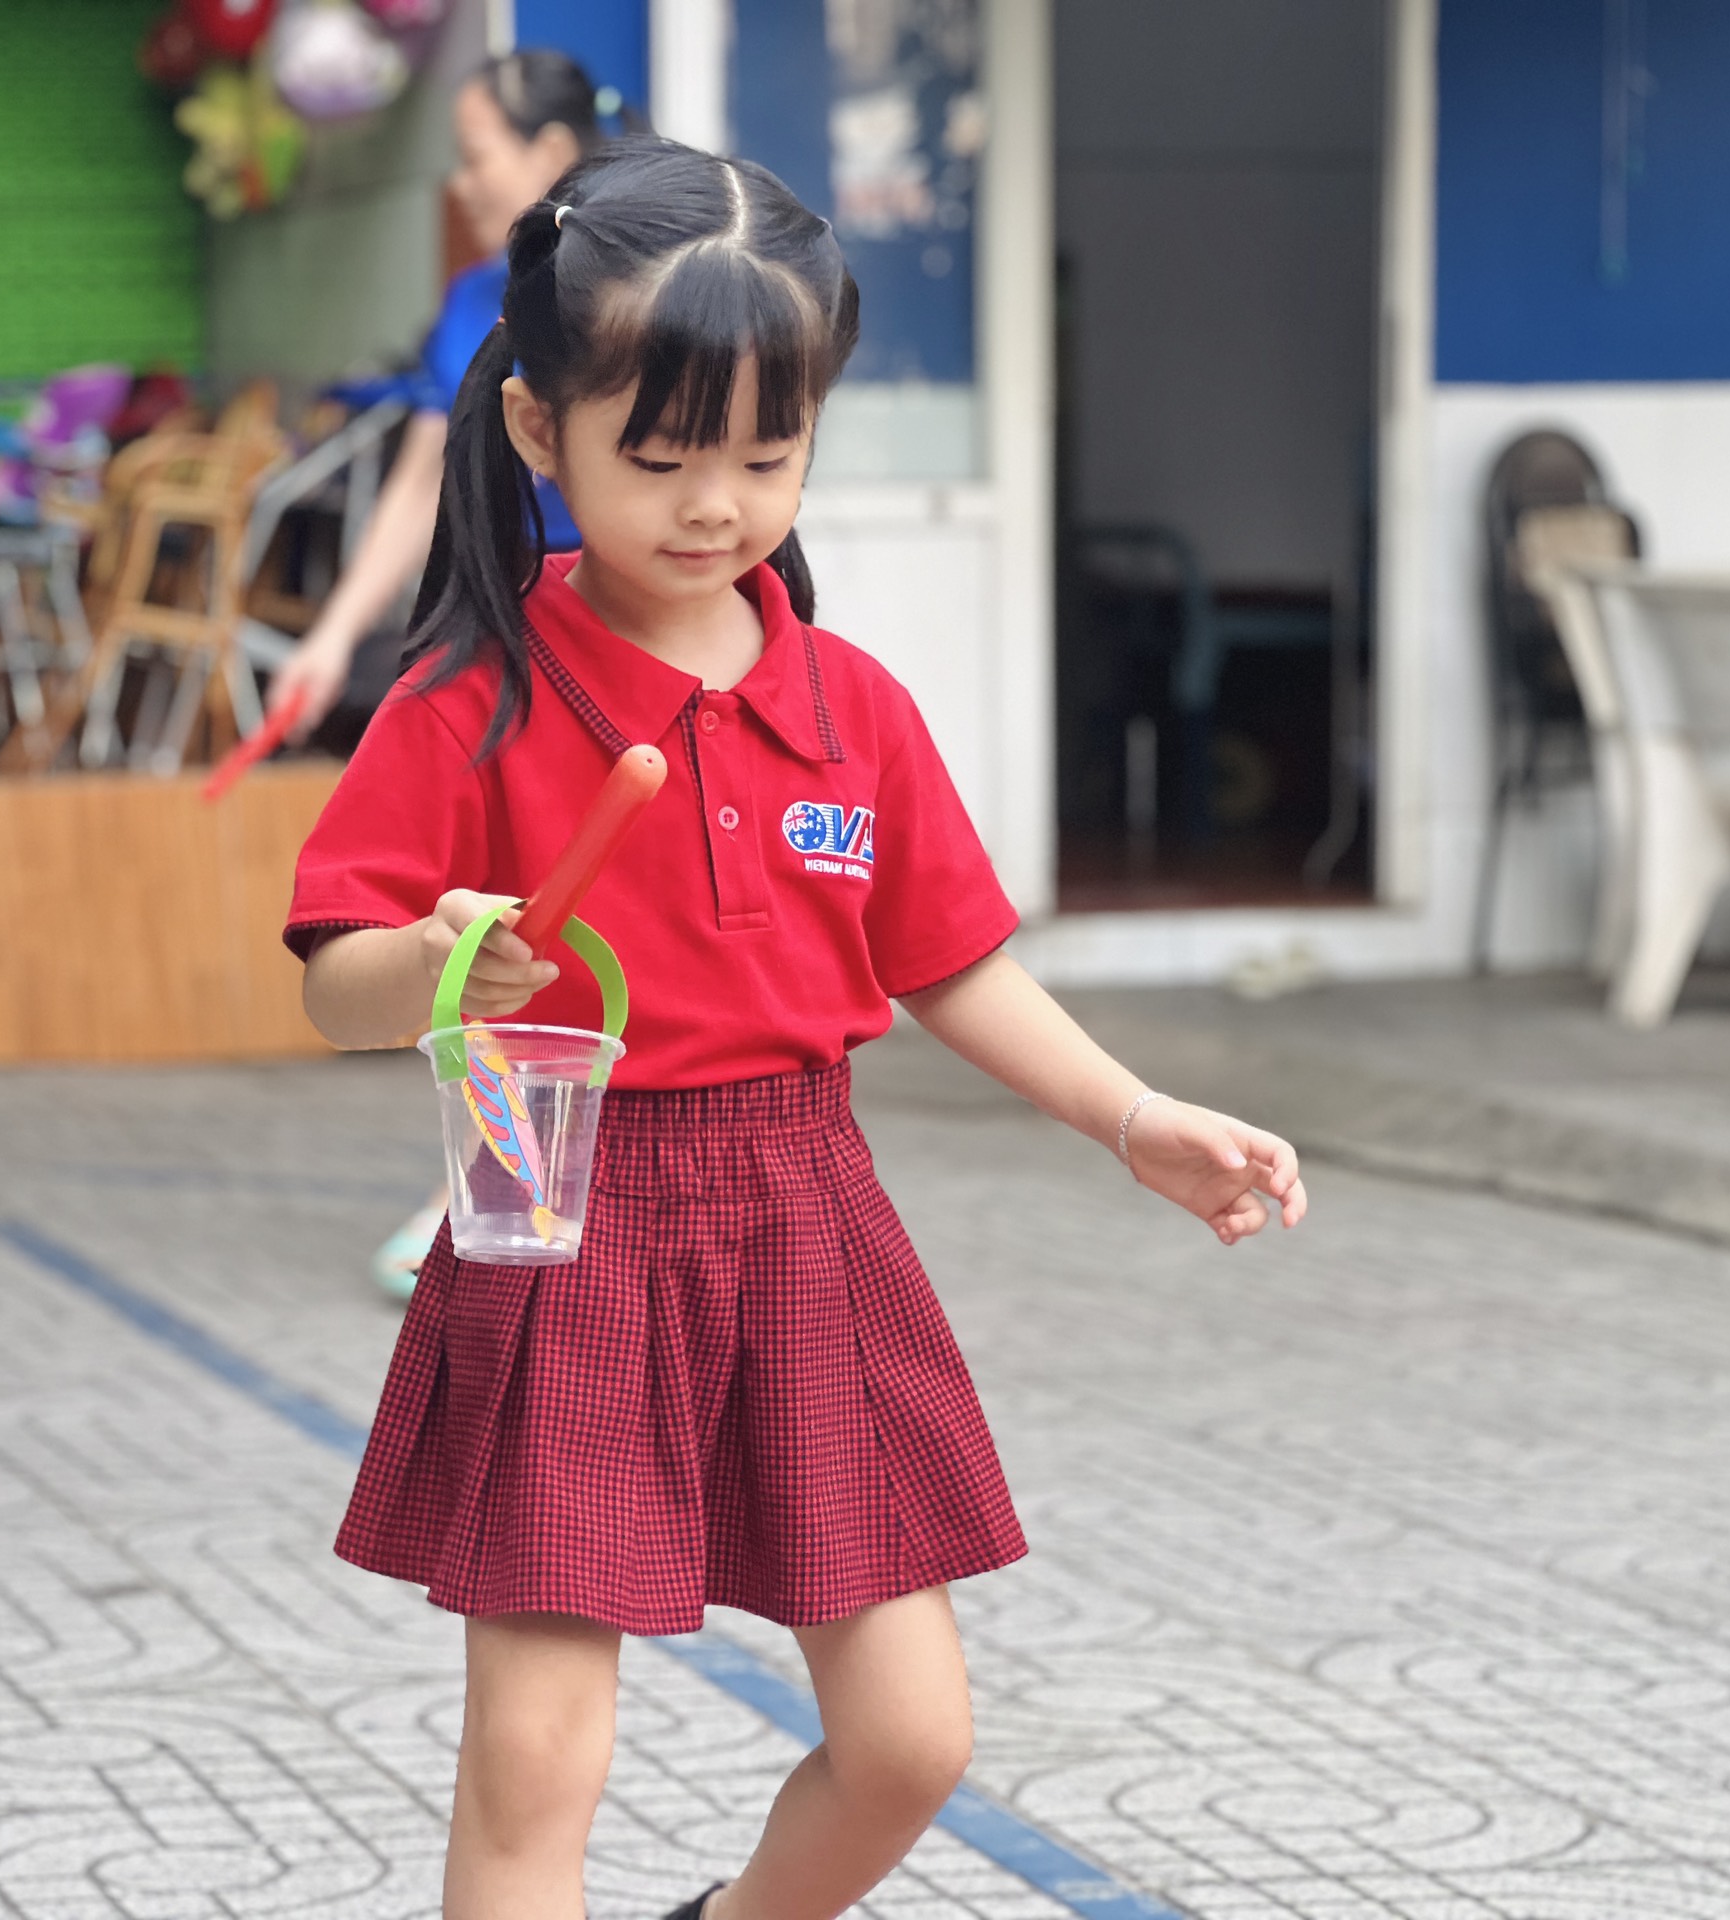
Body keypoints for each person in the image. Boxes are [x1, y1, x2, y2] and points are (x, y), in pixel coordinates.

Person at [284, 141, 1308, 1920]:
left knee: (912, 1743)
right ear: (539, 431)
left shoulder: (855, 710)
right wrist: (437, 968)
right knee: (538, 1764)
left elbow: (951, 963)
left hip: (806, 1224)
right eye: (661, 457)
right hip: (561, 1228)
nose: (717, 506)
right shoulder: (467, 703)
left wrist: (1132, 1118)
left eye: (769, 456)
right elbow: (330, 978)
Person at [268, 49, 609, 1299]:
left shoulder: (640, 297)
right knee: (502, 928)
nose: (461, 185)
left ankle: (553, 1179)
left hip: (623, 662)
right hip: (518, 660)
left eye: (475, 157)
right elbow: (421, 487)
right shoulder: (474, 299)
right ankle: (486, 1177)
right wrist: (331, 637)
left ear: (552, 155)